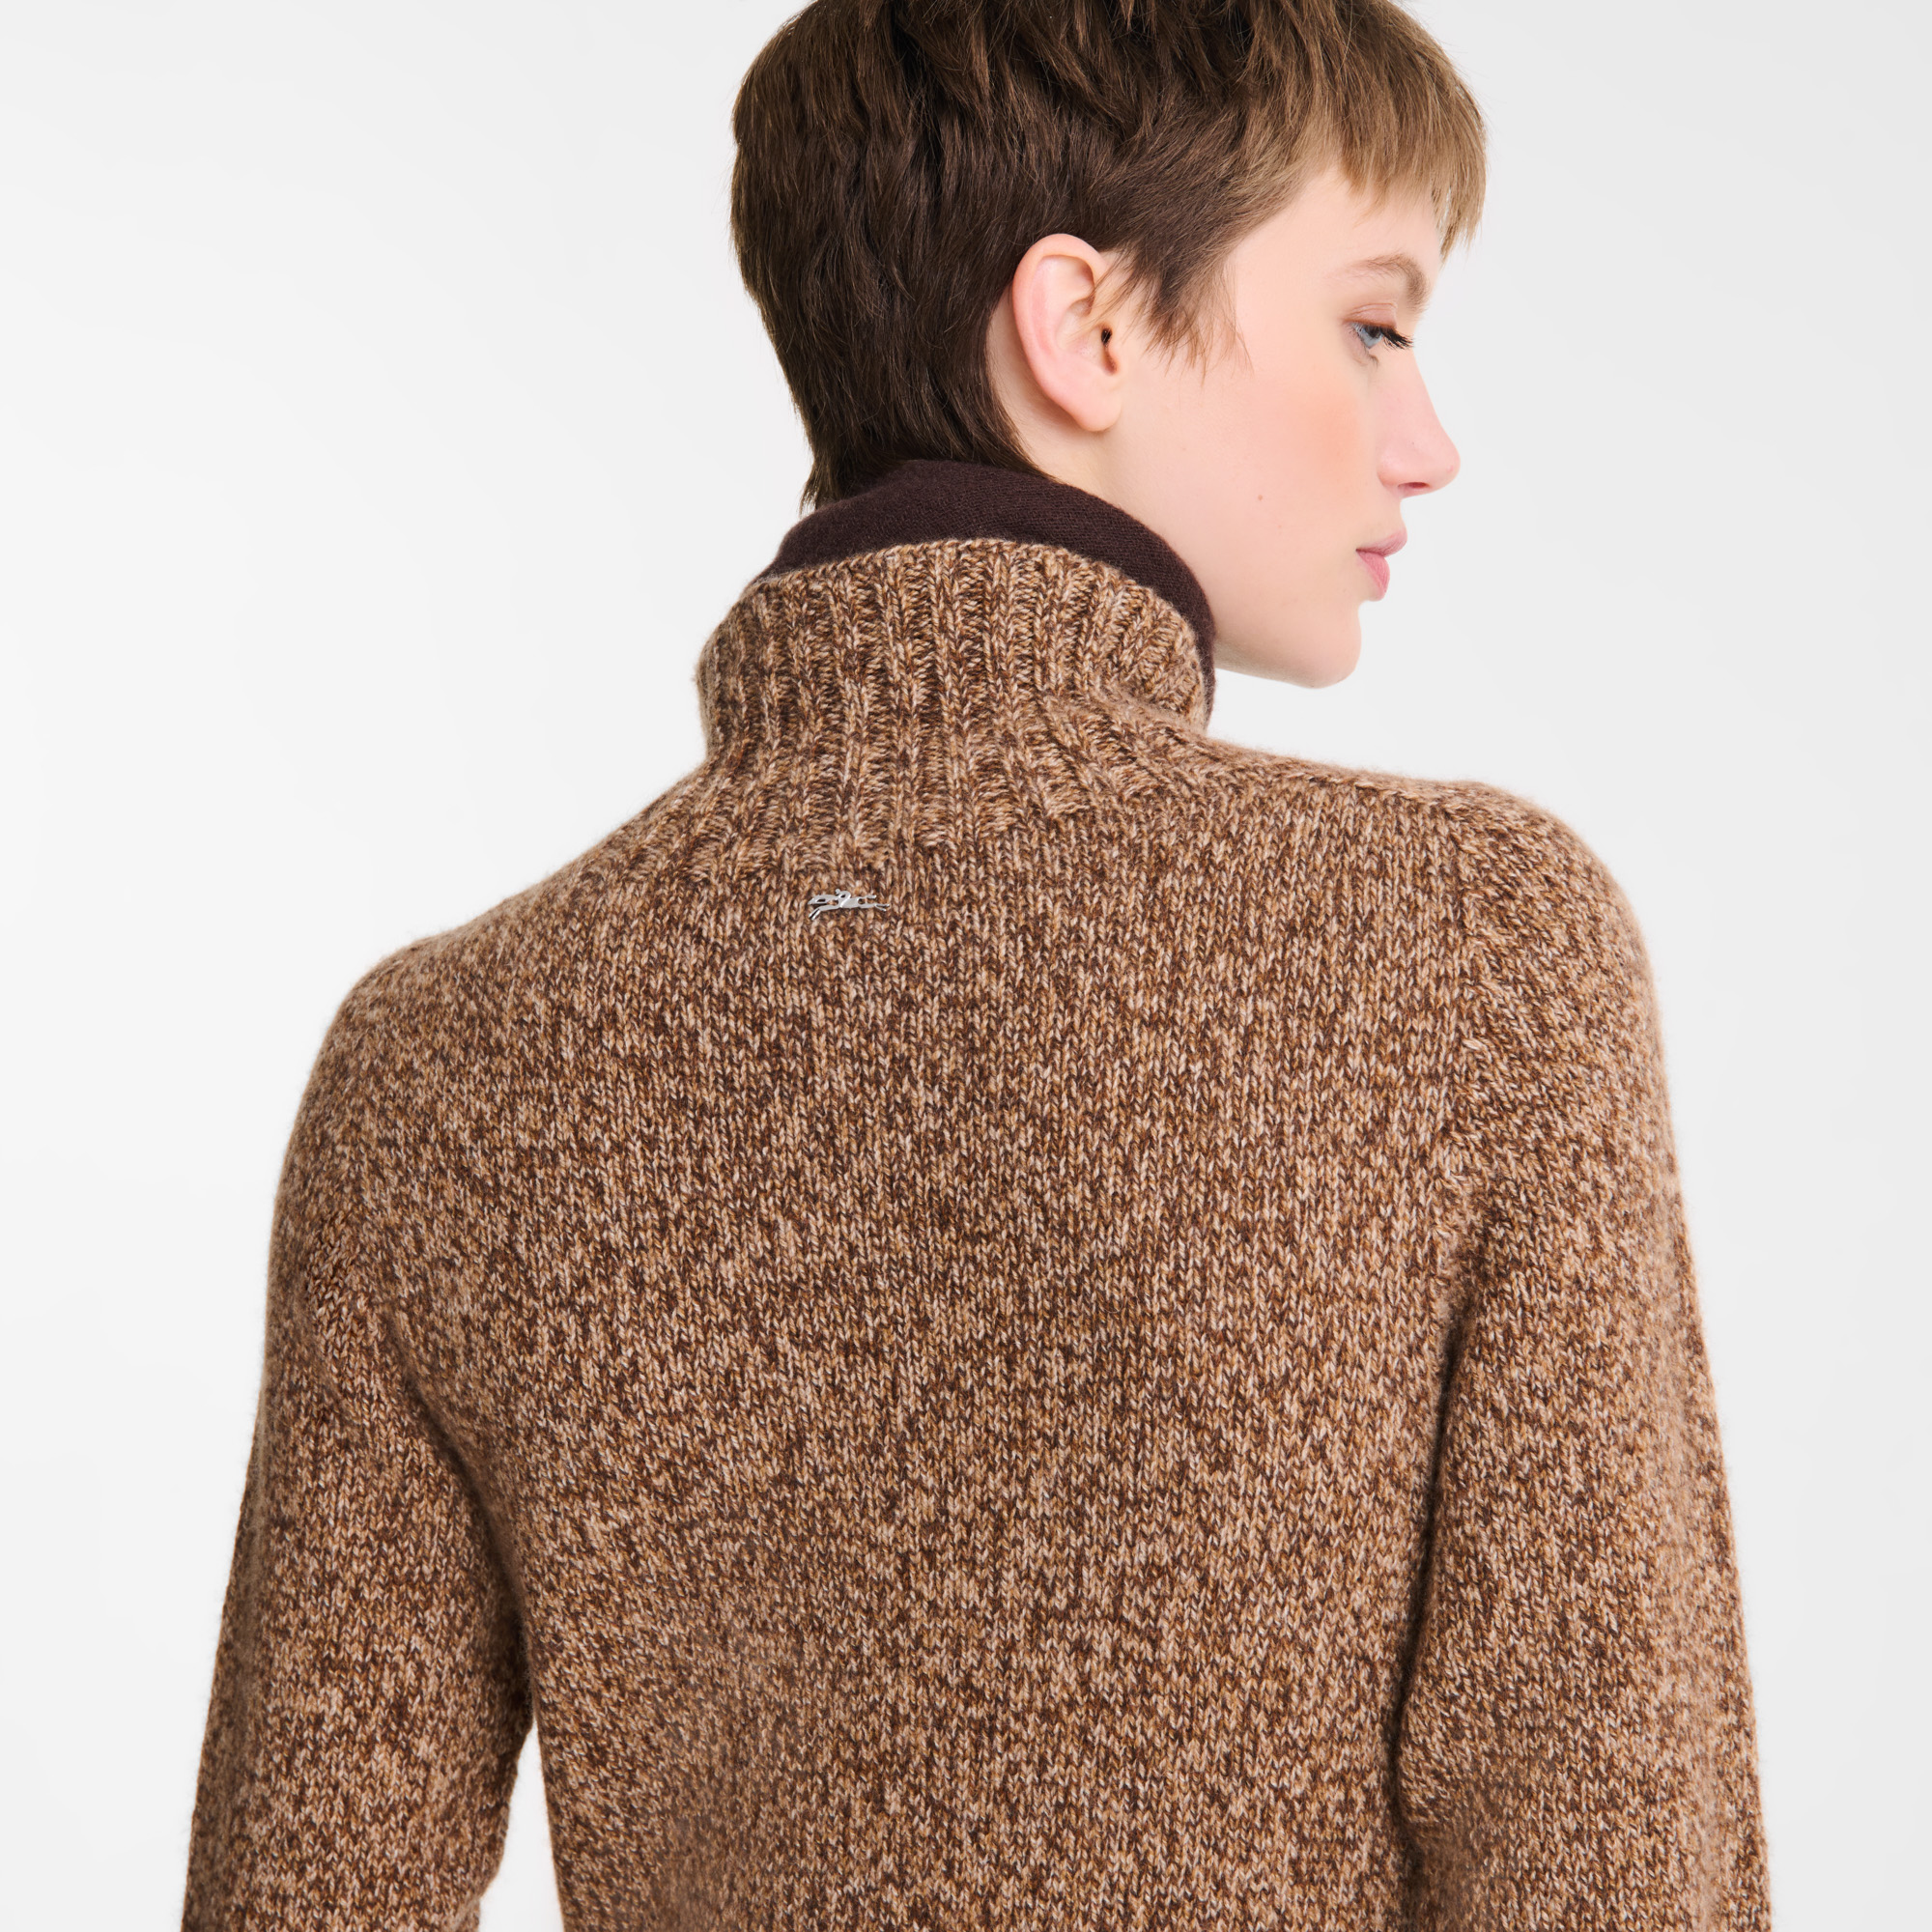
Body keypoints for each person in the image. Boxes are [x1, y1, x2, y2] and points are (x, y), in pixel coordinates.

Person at [182, 2, 1774, 1926]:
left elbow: (303, 1893)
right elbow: (1607, 1856)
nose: (1425, 443)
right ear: (1085, 326)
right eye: (1374, 324)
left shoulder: (438, 1063)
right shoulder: (1470, 947)